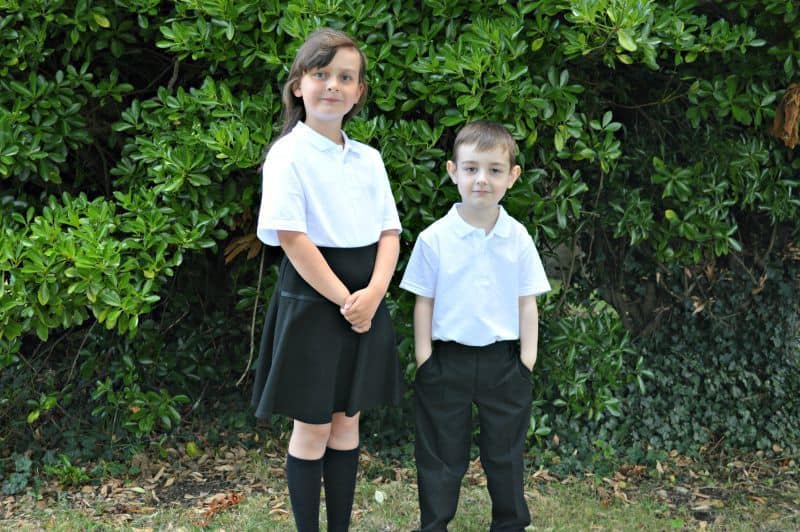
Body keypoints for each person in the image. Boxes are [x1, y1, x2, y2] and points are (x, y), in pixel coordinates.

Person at [251, 27, 403, 532]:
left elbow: (389, 231)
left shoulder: (369, 159)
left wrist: (375, 293)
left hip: (365, 300)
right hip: (316, 303)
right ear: (299, 85)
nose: (332, 85)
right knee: (313, 424)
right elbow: (293, 240)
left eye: (346, 77)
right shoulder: (287, 156)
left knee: (348, 421)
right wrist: (346, 301)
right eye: (321, 74)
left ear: (359, 91)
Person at [400, 120, 551, 531]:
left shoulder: (517, 237)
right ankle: (434, 524)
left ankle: (510, 524)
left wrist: (527, 361)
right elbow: (423, 302)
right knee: (441, 454)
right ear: (453, 172)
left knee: (504, 453)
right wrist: (424, 358)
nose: (481, 179)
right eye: (471, 169)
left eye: (494, 170)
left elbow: (527, 303)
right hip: (446, 362)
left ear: (512, 177)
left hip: (504, 362)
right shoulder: (435, 238)